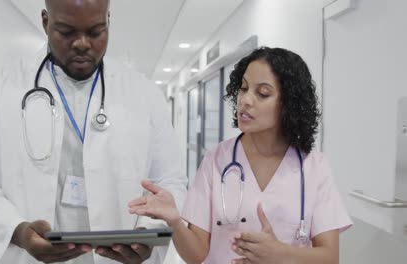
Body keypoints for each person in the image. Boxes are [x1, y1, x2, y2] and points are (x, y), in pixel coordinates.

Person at [0, 0, 187, 263]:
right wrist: (16, 230)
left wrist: (148, 233)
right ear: (46, 22)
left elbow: (171, 181)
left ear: (109, 21)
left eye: (95, 31)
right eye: (67, 32)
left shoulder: (145, 94)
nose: (82, 43)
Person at [129, 47, 353, 264]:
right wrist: (175, 223)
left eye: (262, 93)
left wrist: (279, 254)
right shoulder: (216, 160)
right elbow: (195, 255)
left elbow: (329, 257)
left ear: (289, 105)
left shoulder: (314, 167)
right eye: (243, 88)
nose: (245, 100)